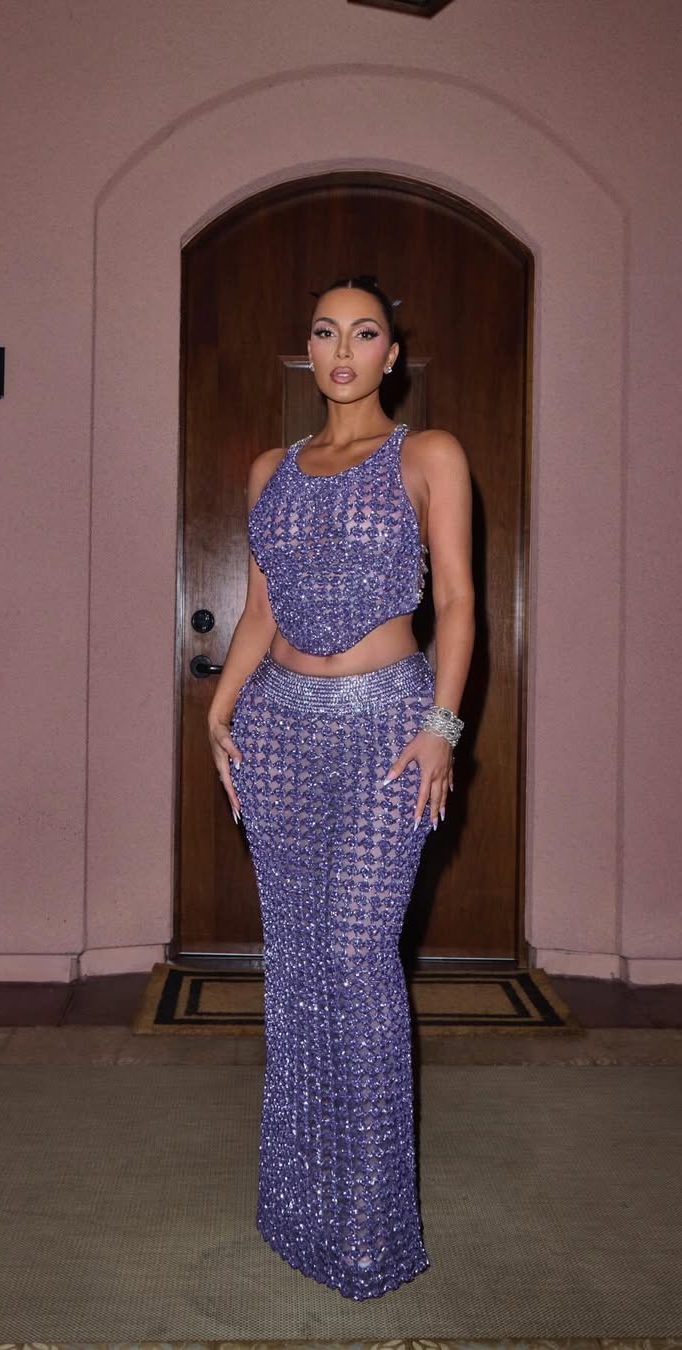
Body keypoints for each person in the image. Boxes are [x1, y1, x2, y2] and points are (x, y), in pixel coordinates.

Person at [206, 274, 474, 1301]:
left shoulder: (429, 455)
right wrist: (220, 708)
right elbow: (260, 612)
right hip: (276, 729)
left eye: (365, 334)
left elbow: (459, 603)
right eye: (326, 333)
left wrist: (442, 726)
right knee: (298, 963)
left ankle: (368, 1229)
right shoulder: (269, 471)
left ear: (392, 355)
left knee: (359, 958)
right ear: (308, 351)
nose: (345, 351)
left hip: (388, 732)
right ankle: (297, 1208)